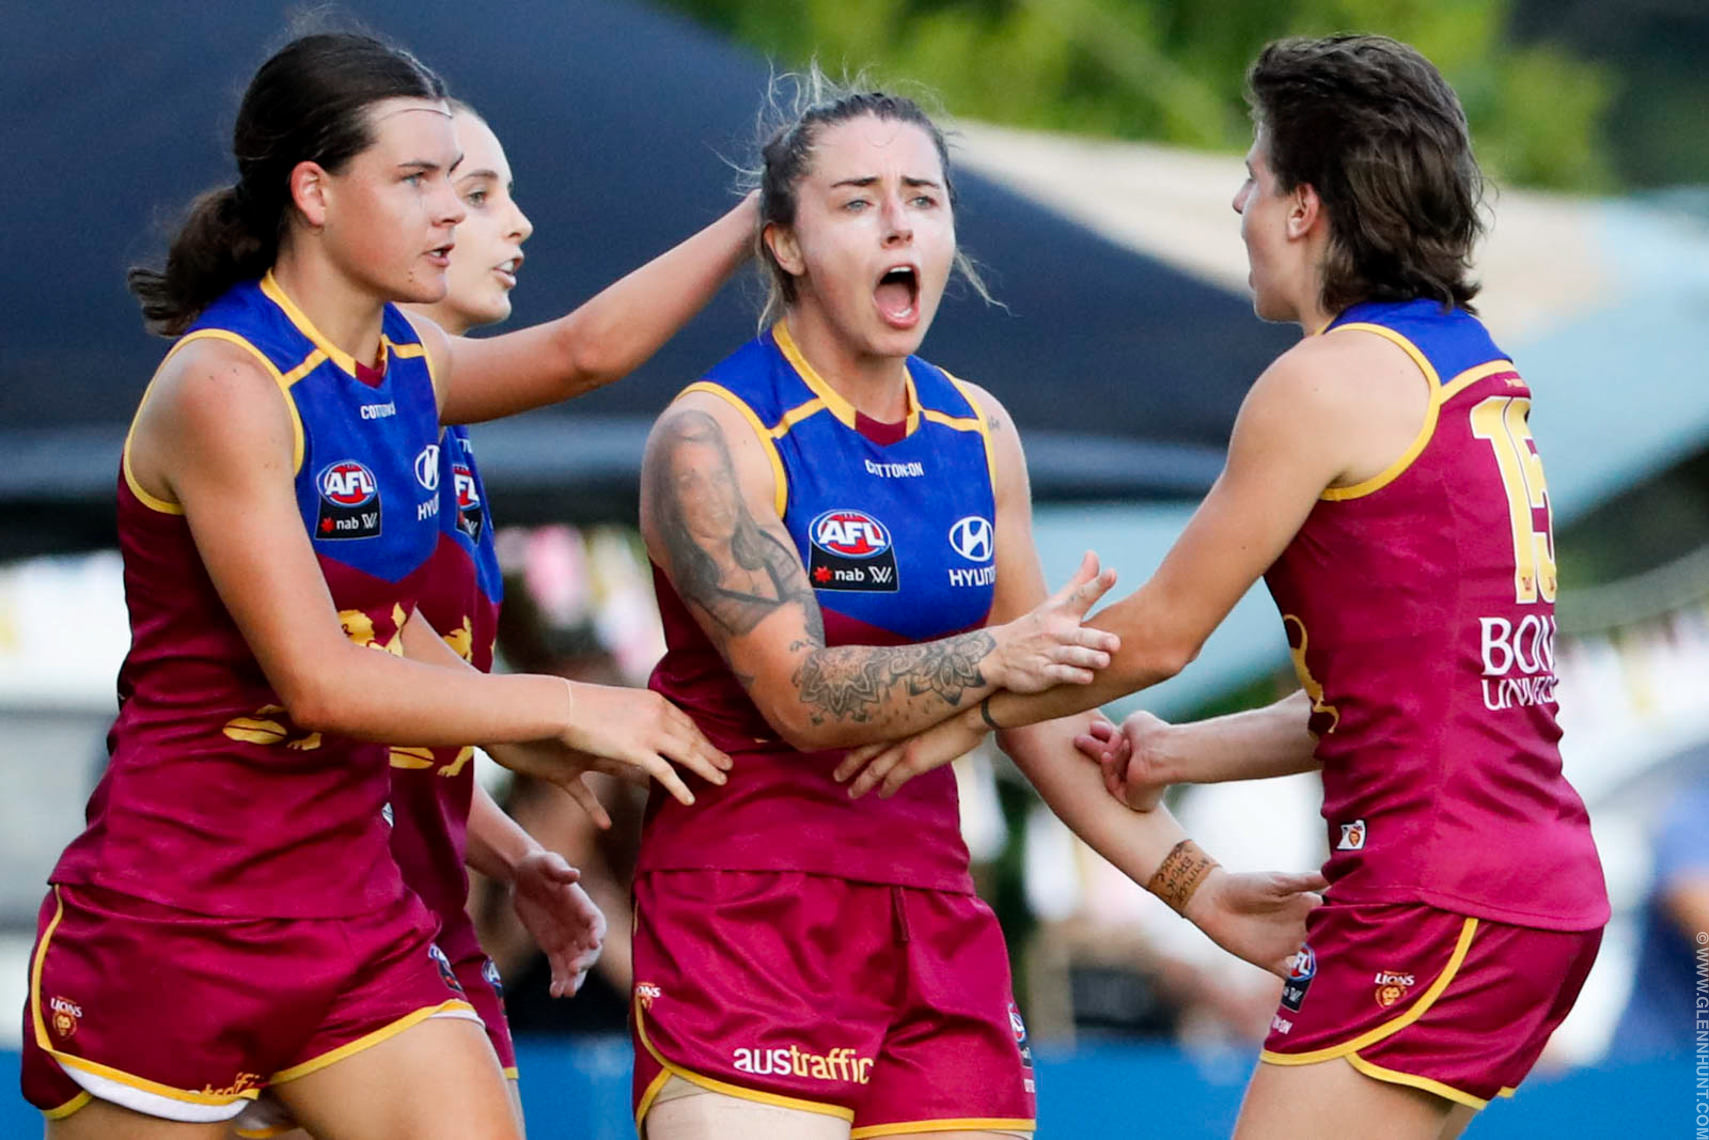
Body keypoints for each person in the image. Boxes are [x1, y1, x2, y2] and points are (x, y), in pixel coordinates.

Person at [837, 34, 1610, 1140]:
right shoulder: (1466, 364)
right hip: (1524, 886)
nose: (1236, 202)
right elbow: (1405, 694)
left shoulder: (1320, 382)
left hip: (1433, 893)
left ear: (1304, 207)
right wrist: (1183, 754)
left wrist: (945, 707)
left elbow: (1155, 638)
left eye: (1251, 176)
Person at [21, 31, 743, 1139]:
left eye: (455, 182)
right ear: (312, 191)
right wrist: (563, 705)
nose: (449, 213)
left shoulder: (407, 364)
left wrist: (763, 211)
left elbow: (585, 354)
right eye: (416, 182)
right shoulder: (226, 383)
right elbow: (317, 679)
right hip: (174, 921)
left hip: (348, 912)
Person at [633, 72, 1323, 1140]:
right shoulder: (710, 434)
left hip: (933, 919)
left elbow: (1044, 716)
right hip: (749, 917)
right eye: (856, 200)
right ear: (783, 243)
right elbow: (806, 700)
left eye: (924, 196)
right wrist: (997, 659)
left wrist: (1196, 887)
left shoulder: (976, 430)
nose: (899, 220)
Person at [230, 98, 606, 1140]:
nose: (501, 222)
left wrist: (509, 854)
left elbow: (417, 725)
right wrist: (589, 715)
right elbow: (347, 681)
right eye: (464, 192)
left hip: (419, 925)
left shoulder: (436, 437)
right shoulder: (295, 414)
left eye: (477, 192)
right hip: (294, 923)